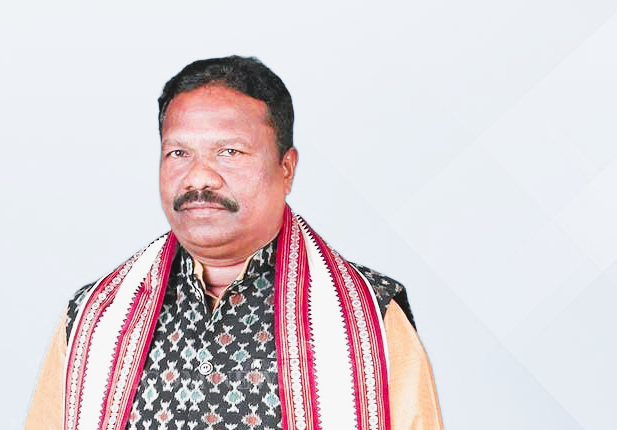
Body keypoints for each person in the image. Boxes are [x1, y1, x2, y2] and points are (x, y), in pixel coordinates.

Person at [26, 56, 442, 430]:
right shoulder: (95, 318)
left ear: (286, 169)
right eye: (178, 153)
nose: (199, 177)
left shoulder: (371, 319)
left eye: (228, 152)